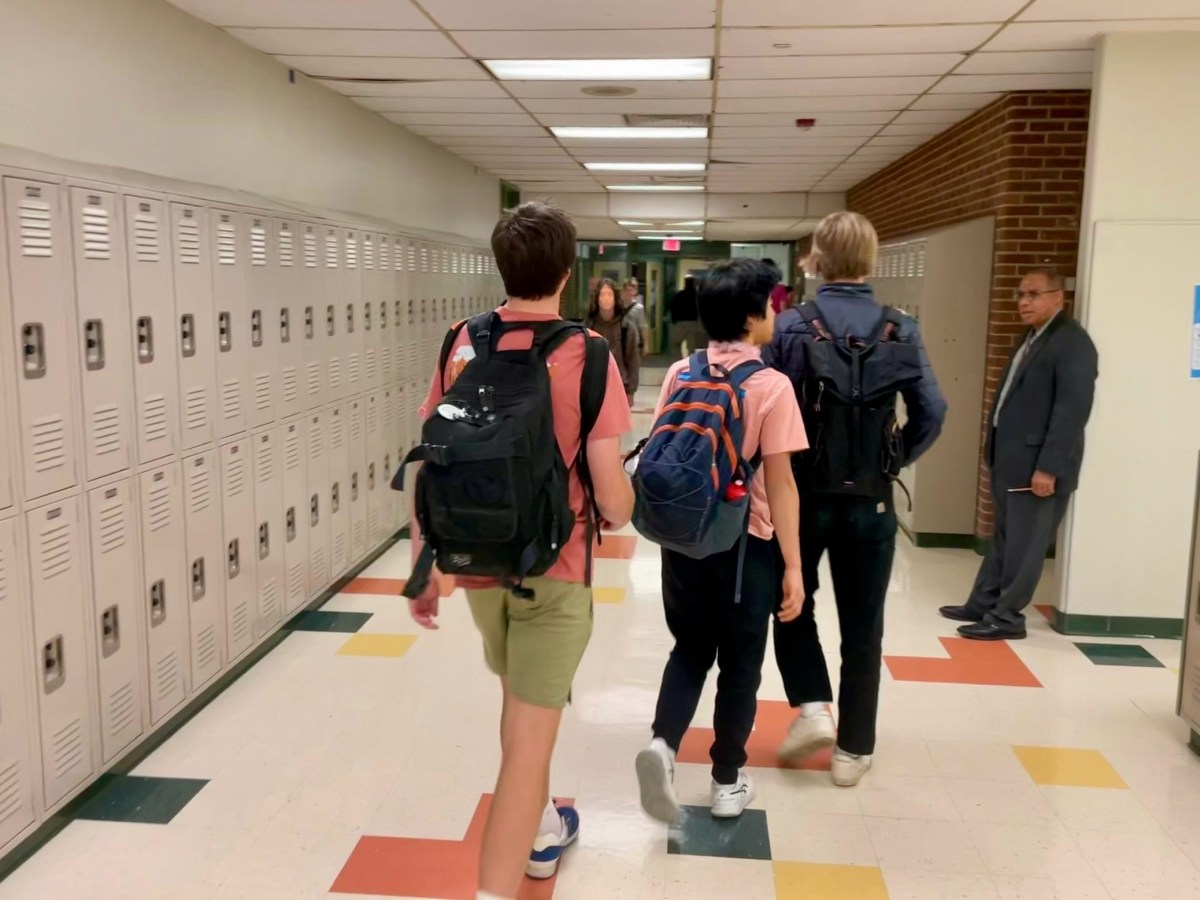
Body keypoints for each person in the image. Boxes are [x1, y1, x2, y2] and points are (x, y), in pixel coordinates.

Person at [406, 202, 635, 900]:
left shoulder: (460, 341)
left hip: (478, 569)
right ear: (568, 274)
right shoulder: (587, 354)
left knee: (518, 714)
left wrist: (424, 565)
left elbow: (431, 458)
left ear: (503, 267)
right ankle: (498, 885)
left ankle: (540, 834)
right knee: (527, 753)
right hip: (556, 575)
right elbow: (615, 506)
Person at [764, 211, 947, 787]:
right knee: (864, 626)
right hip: (871, 503)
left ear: (817, 260)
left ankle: (813, 706)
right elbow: (933, 411)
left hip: (803, 494)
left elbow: (763, 405)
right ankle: (853, 751)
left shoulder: (791, 325)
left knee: (791, 600)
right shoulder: (902, 327)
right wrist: (894, 459)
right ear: (869, 260)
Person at [635, 258, 808, 823]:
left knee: (688, 649)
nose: (777, 312)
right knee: (739, 664)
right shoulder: (771, 386)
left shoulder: (680, 372)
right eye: (772, 304)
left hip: (681, 538)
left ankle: (662, 748)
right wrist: (793, 566)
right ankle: (727, 780)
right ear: (754, 316)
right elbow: (780, 485)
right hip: (745, 546)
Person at [940, 267, 1098, 640]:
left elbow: (1072, 411)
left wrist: (1048, 468)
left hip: (1038, 469)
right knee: (1006, 539)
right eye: (1021, 294)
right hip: (1011, 461)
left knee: (1026, 547)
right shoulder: (1031, 337)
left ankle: (1007, 618)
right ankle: (983, 604)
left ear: (1059, 297)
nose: (1025, 302)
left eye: (1034, 294)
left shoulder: (1072, 343)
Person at [586, 277, 640, 408]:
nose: (606, 298)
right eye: (602, 294)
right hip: (594, 386)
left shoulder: (626, 327)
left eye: (609, 294)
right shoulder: (589, 326)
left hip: (619, 385)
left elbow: (633, 360)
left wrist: (630, 391)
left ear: (615, 298)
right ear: (597, 298)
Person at [668, 273, 705, 358]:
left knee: (675, 344)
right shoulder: (698, 295)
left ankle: (678, 362)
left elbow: (673, 307)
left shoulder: (679, 295)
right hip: (694, 323)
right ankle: (691, 365)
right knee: (691, 347)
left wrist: (674, 321)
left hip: (681, 323)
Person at [622, 279, 650, 357]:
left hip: (633, 342)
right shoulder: (618, 306)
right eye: (627, 290)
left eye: (631, 290)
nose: (629, 292)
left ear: (635, 291)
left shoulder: (639, 308)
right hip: (620, 341)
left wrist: (646, 345)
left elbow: (643, 326)